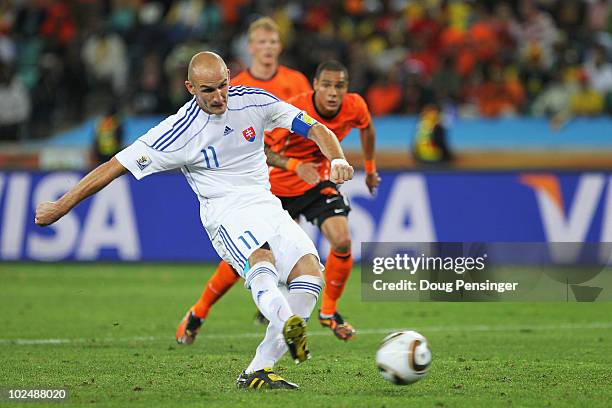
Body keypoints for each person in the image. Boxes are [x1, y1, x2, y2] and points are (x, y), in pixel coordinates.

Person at [35, 52, 354, 390]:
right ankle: (285, 318)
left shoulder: (253, 100)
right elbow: (114, 166)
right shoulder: (177, 132)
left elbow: (314, 127)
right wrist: (61, 205)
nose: (218, 97)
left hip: (267, 204)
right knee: (261, 258)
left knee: (310, 275)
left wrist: (336, 159)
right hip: (225, 212)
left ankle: (259, 369)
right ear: (190, 87)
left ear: (230, 77)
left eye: (222, 86)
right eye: (207, 90)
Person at [177, 60, 379, 344]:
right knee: (251, 256)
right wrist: (295, 165)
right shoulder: (295, 107)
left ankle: (329, 312)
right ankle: (199, 311)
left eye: (340, 86)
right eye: (327, 85)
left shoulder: (355, 106)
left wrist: (370, 169)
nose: (333, 93)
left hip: (316, 184)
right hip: (277, 188)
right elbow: (262, 147)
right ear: (315, 86)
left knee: (343, 240)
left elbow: (367, 127)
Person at [175, 17, 320, 342]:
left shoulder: (296, 82)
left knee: (288, 252)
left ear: (279, 46)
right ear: (251, 47)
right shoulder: (231, 87)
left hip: (289, 181)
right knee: (250, 252)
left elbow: (308, 126)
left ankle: (273, 306)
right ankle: (202, 310)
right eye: (261, 43)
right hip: (249, 184)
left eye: (273, 43)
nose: (267, 49)